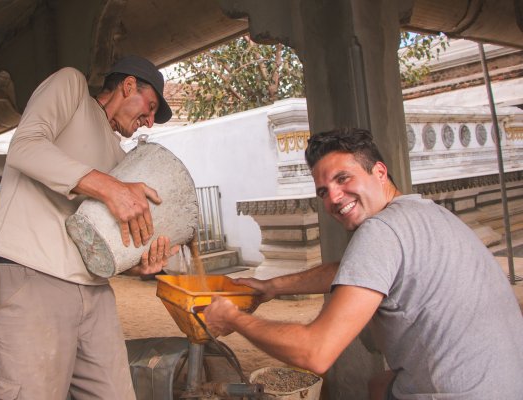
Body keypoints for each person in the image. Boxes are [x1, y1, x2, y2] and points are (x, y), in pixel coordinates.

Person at [204, 128, 523, 400]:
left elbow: (316, 352)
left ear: (379, 172)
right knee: (379, 384)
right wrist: (272, 287)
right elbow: (357, 269)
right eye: (323, 191)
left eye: (343, 178)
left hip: (460, 393)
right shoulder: (424, 213)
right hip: (510, 383)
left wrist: (233, 318)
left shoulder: (379, 231)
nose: (334, 198)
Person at [0, 55, 178, 399]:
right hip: (30, 272)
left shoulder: (120, 158)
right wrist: (110, 187)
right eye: (149, 107)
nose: (148, 122)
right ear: (128, 85)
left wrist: (140, 265)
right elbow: (24, 147)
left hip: (93, 291)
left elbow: (108, 244)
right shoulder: (71, 88)